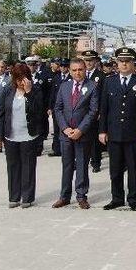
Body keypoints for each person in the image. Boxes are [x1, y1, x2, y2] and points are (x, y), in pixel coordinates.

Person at [98, 47, 136, 211]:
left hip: (133, 133)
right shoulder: (109, 81)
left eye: (127, 61)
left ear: (133, 63)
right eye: (121, 61)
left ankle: (133, 199)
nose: (124, 64)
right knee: (115, 169)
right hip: (114, 133)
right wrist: (102, 130)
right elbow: (104, 109)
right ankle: (117, 198)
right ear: (117, 63)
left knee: (133, 169)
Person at [0, 63, 44, 208]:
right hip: (11, 135)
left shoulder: (36, 90)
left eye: (24, 78)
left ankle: (27, 197)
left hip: (29, 135)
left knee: (28, 167)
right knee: (13, 166)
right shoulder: (7, 91)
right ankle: (14, 197)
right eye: (18, 79)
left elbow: (39, 112)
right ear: (13, 79)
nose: (21, 82)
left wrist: (29, 93)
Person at [52, 58, 99, 209]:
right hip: (66, 133)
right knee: (67, 165)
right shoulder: (64, 86)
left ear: (85, 70)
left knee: (82, 165)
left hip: (82, 133)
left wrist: (80, 130)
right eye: (74, 70)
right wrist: (65, 128)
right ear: (70, 71)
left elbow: (93, 111)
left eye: (80, 69)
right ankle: (64, 196)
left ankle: (81, 196)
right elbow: (58, 108)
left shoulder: (92, 86)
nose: (77, 73)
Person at [81, 50, 106, 173]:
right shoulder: (79, 74)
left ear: (95, 61)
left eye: (91, 60)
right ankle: (80, 161)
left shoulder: (101, 76)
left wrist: (101, 112)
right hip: (81, 112)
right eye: (86, 60)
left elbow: (103, 96)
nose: (88, 62)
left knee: (95, 140)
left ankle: (96, 162)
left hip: (95, 112)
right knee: (81, 137)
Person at [47, 58, 71, 157]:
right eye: (61, 66)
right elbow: (52, 94)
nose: (63, 68)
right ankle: (56, 149)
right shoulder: (56, 78)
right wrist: (49, 107)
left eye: (65, 66)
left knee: (67, 128)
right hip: (57, 107)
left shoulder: (71, 77)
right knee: (56, 129)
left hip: (68, 107)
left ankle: (67, 149)